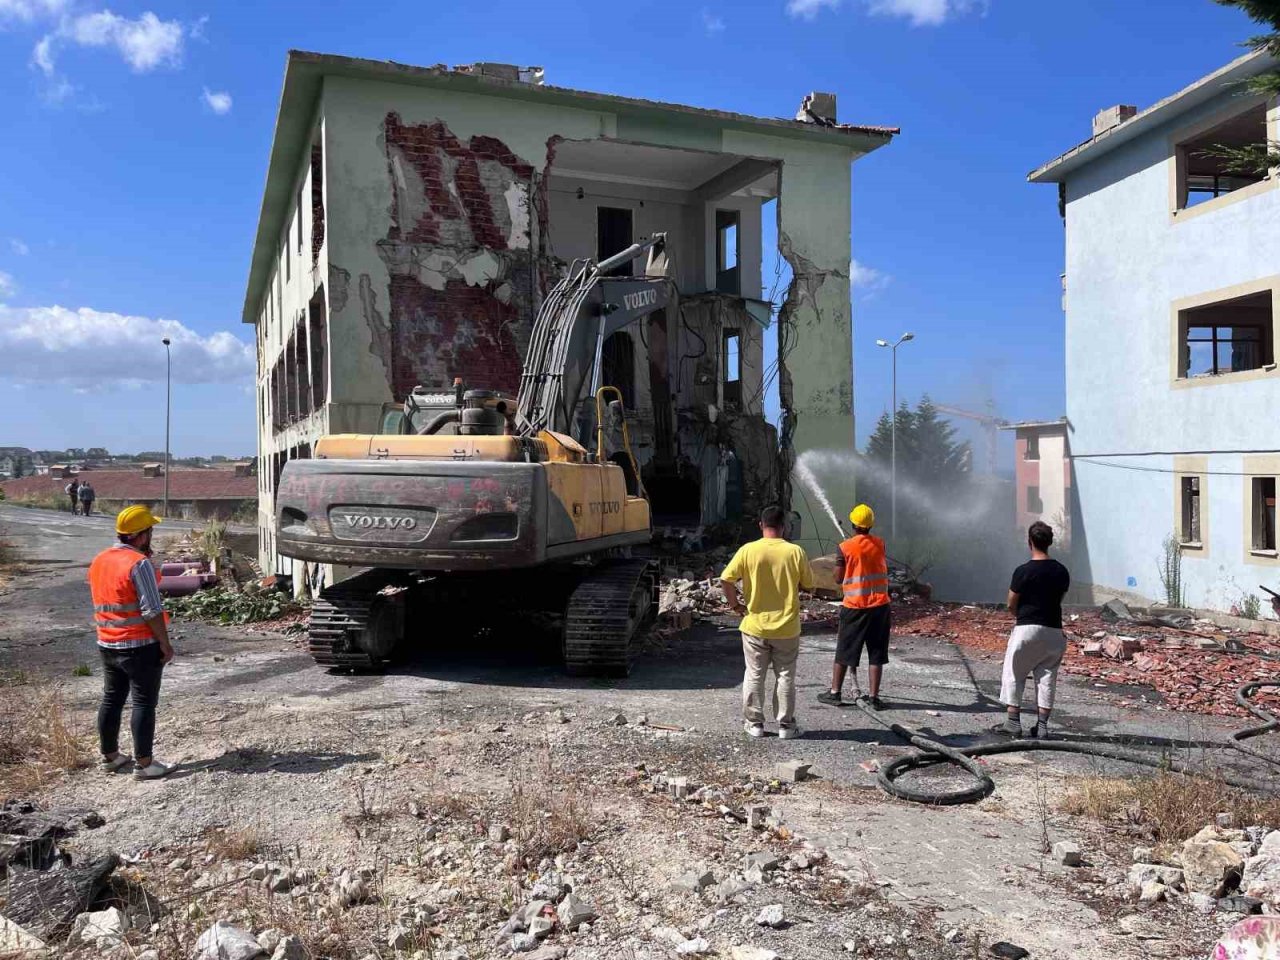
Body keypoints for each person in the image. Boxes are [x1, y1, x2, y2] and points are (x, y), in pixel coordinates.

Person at [88, 505, 174, 780]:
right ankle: (145, 764)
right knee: (143, 703)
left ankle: (111, 757)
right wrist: (165, 643)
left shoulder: (100, 559)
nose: (152, 535)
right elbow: (151, 610)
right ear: (140, 535)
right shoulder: (139, 563)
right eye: (150, 530)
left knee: (112, 699)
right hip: (139, 645)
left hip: (107, 643)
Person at [721, 504, 816, 740]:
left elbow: (726, 579)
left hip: (755, 626)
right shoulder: (795, 552)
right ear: (784, 527)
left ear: (761, 525)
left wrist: (735, 606)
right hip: (787, 627)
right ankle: (786, 726)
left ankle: (755, 724)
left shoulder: (748, 550)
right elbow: (809, 584)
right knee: (785, 676)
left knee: (754, 674)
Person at [998, 520, 1071, 739]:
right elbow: (1059, 599)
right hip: (1054, 631)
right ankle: (1042, 726)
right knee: (1047, 676)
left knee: (1014, 672)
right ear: (1050, 543)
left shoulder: (1023, 571)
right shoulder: (1061, 571)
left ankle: (1013, 722)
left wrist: (1020, 615)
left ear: (1030, 542)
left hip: (1026, 629)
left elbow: (1011, 603)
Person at [818, 503, 892, 709]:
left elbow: (838, 579)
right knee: (876, 653)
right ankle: (874, 698)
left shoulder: (845, 547)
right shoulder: (880, 544)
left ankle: (835, 692)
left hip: (855, 607)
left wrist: (840, 559)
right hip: (880, 606)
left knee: (845, 650)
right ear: (870, 524)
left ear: (852, 523)